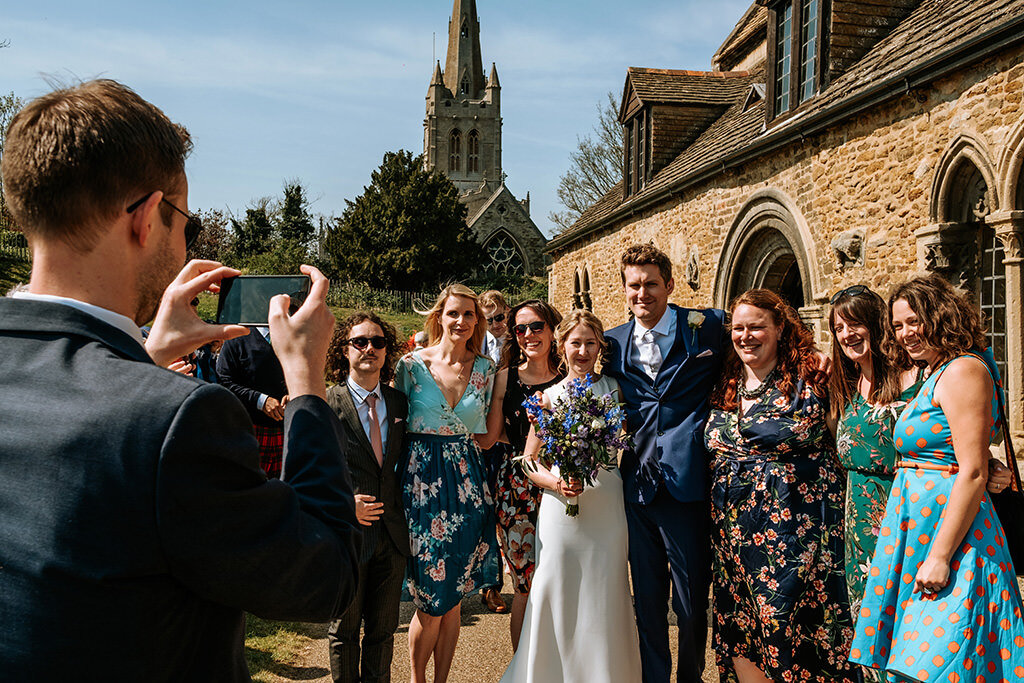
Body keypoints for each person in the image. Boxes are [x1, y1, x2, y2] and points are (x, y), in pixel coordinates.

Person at [0, 79, 360, 681]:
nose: (185, 240)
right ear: (145, 218)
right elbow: (324, 576)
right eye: (184, 222)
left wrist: (141, 355)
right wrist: (306, 383)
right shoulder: (176, 419)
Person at [850, 274, 1024, 680]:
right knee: (918, 657)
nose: (906, 333)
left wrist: (941, 555)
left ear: (940, 315)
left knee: (945, 657)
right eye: (897, 325)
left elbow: (974, 470)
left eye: (915, 321)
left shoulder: (963, 370)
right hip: (918, 529)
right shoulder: (935, 371)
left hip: (953, 535)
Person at [603, 244, 725, 683]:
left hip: (689, 481)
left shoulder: (708, 327)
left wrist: (816, 359)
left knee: (692, 602)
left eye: (651, 284)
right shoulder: (612, 343)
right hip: (636, 484)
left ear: (669, 285)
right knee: (648, 600)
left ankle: (690, 676)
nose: (642, 293)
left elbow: (767, 335)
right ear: (624, 289)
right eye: (634, 285)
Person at [500, 309, 642, 683]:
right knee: (557, 585)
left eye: (590, 343)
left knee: (605, 585)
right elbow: (528, 462)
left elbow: (624, 442)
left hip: (607, 504)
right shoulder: (548, 397)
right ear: (562, 347)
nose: (583, 350)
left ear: (600, 347)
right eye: (575, 343)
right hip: (562, 508)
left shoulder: (615, 389)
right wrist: (556, 483)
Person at [394, 283, 502, 683]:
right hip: (421, 484)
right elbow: (394, 427)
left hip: (468, 484)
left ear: (478, 320)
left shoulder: (487, 370)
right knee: (431, 597)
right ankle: (416, 680)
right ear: (439, 315)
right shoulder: (410, 365)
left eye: (469, 314)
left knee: (454, 597)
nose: (461, 321)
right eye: (453, 313)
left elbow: (489, 436)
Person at [324, 313, 410, 683]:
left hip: (391, 535)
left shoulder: (400, 403)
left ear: (386, 350)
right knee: (343, 633)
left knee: (383, 632)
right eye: (360, 341)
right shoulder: (326, 402)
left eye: (377, 342)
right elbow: (310, 474)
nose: (369, 348)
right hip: (348, 534)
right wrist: (345, 504)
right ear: (345, 350)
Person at [493, 299, 564, 650]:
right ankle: (523, 666)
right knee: (525, 585)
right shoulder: (504, 378)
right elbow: (490, 436)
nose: (528, 335)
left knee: (561, 580)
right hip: (517, 489)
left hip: (564, 485)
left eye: (536, 326)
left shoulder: (570, 378)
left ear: (552, 328)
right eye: (519, 329)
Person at [217, 320, 290, 478]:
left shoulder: (291, 336)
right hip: (250, 431)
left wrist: (294, 394)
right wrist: (261, 401)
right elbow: (224, 382)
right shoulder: (237, 337)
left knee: (281, 491)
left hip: (285, 431)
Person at [477, 289, 512, 613]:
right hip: (480, 440)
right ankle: (489, 586)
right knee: (484, 512)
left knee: (508, 514)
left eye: (499, 318)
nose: (495, 325)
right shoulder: (473, 347)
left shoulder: (519, 344)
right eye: (488, 321)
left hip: (511, 441)